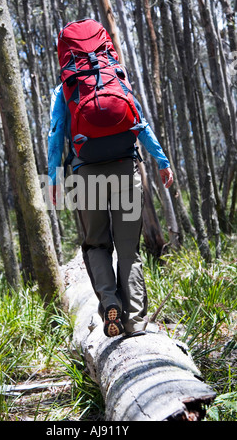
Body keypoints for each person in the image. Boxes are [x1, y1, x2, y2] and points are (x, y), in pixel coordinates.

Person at [48, 83, 173, 339]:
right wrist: (162, 161)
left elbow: (56, 131)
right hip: (125, 169)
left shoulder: (65, 88)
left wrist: (53, 177)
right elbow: (141, 123)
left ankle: (109, 302)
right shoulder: (117, 78)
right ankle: (135, 320)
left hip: (87, 174)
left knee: (96, 245)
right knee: (128, 248)